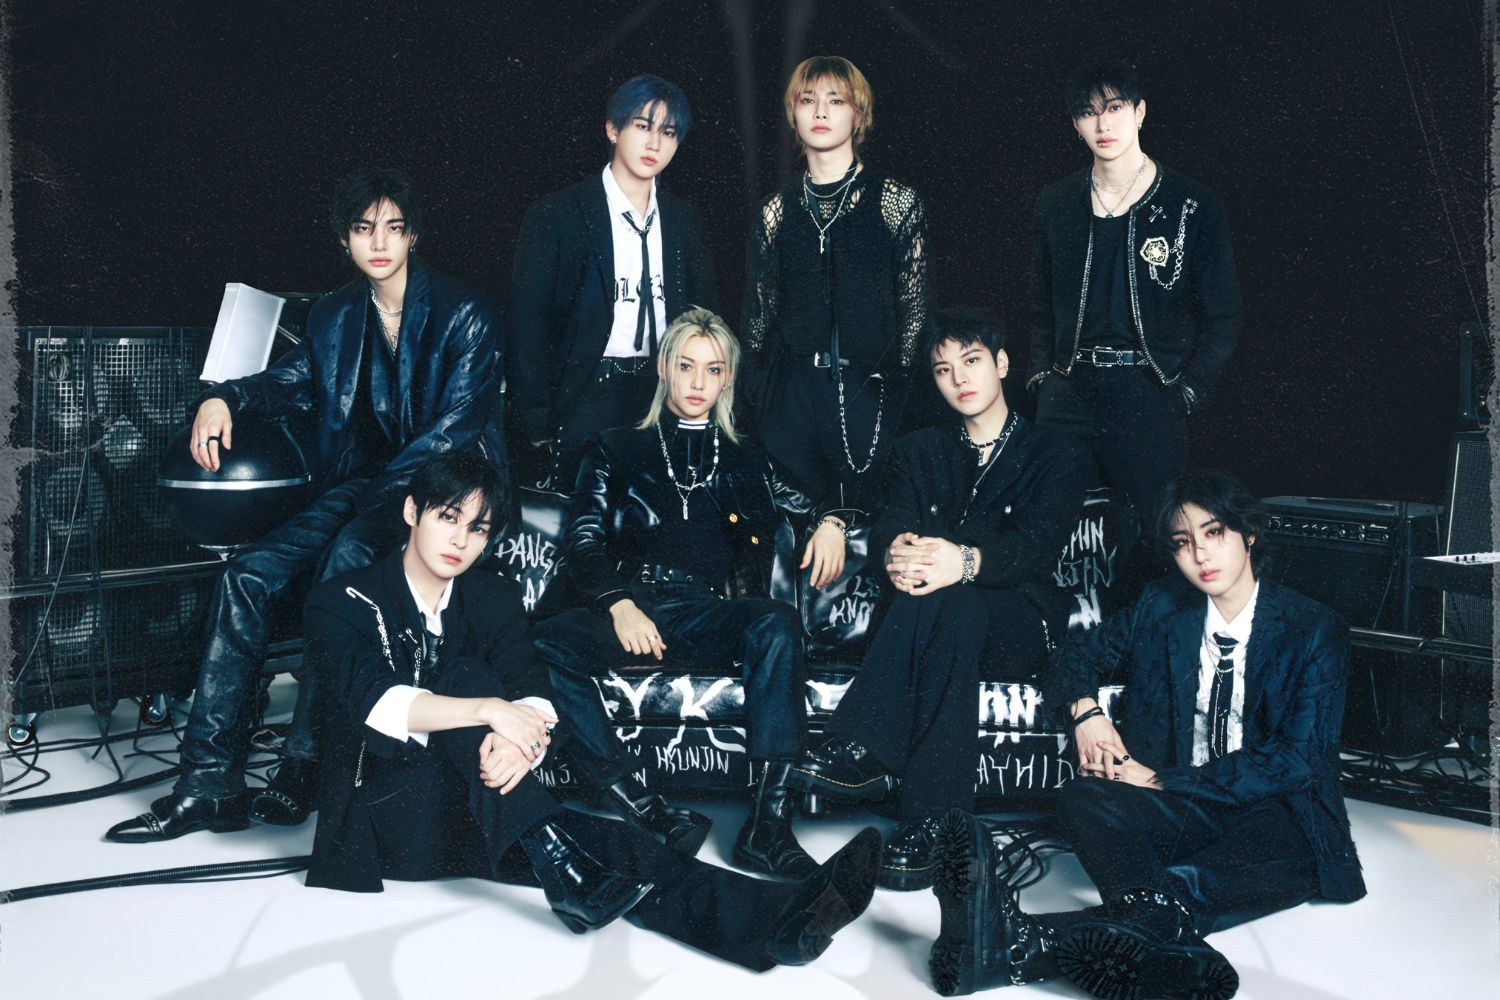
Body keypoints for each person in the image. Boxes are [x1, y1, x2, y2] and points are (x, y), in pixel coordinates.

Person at [305, 450, 881, 974]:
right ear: (412, 511)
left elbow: (535, 691)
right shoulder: (341, 599)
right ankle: (564, 863)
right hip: (384, 819)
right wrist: (492, 712)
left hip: (483, 809)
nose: (460, 539)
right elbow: (375, 702)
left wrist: (520, 738)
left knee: (621, 848)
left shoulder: (489, 596)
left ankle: (777, 922)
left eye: (478, 528)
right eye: (448, 517)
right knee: (467, 679)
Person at [106, 168, 507, 842]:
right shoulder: (334, 315)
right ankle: (208, 784)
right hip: (367, 488)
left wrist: (373, 506)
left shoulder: (467, 311)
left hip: (447, 494)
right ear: (344, 239)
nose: (379, 242)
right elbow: (289, 382)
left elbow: (453, 432)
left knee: (343, 560)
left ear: (413, 235)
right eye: (363, 228)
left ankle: (304, 763)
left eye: (393, 228)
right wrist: (223, 397)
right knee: (247, 575)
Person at [927, 469, 1365, 999]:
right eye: (1183, 542)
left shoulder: (1313, 629)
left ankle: (1018, 946)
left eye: (1214, 533)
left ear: (1248, 534)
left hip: (1273, 814)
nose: (1200, 555)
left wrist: (1158, 780)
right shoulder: (1162, 606)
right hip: (1187, 810)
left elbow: (1296, 760)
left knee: (1214, 871)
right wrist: (1086, 713)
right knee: (1083, 795)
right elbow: (1076, 655)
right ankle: (1167, 945)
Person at [534, 308, 849, 879]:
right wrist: (619, 605)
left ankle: (767, 828)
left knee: (776, 622)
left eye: (713, 369)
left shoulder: (747, 457)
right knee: (543, 643)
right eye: (686, 366)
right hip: (631, 606)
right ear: (663, 369)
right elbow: (583, 540)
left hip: (705, 613)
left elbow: (813, 501)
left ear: (727, 378)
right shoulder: (613, 449)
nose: (698, 382)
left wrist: (831, 522)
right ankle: (641, 805)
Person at [786, 308, 1092, 891]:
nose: (960, 379)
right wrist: (895, 551)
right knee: (949, 605)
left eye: (972, 361)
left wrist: (965, 561)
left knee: (954, 599)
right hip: (939, 618)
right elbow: (890, 521)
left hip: (1021, 619)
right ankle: (933, 823)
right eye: (944, 369)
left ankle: (865, 748)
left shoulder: (1055, 451)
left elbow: (1035, 547)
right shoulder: (918, 449)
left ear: (1002, 364)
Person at [1028, 58, 1243, 539]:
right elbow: (1040, 304)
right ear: (1075, 124)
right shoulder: (1056, 202)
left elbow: (1224, 316)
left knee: (1152, 536)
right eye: (1088, 113)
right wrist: (1043, 378)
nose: (1103, 124)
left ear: (1140, 112)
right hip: (1069, 391)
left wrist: (1187, 392)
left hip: (1149, 390)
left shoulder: (1191, 203)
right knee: (1051, 530)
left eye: (1114, 108)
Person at [740, 55, 931, 583]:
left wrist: (892, 395)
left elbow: (915, 316)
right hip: (793, 399)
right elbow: (757, 324)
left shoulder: (894, 201)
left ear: (858, 115)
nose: (820, 112)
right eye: (808, 101)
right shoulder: (775, 211)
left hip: (871, 395)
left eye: (835, 101)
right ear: (793, 115)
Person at [508, 73, 719, 490]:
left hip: (662, 395)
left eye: (668, 132)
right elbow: (526, 324)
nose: (654, 143)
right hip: (586, 396)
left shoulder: (683, 221)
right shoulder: (559, 214)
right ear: (612, 129)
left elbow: (705, 318)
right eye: (642, 126)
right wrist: (536, 424)